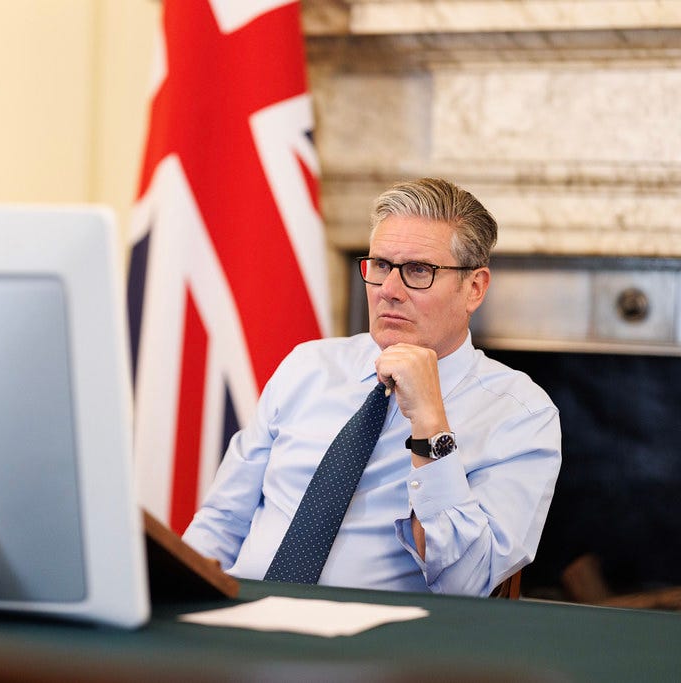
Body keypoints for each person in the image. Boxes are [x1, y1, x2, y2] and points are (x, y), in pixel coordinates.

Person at [182, 177, 561, 597]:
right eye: (380, 266)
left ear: (474, 288)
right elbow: (222, 522)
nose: (389, 291)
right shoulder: (308, 367)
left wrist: (430, 422)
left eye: (419, 271)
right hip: (241, 616)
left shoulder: (521, 414)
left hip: (381, 635)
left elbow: (467, 585)